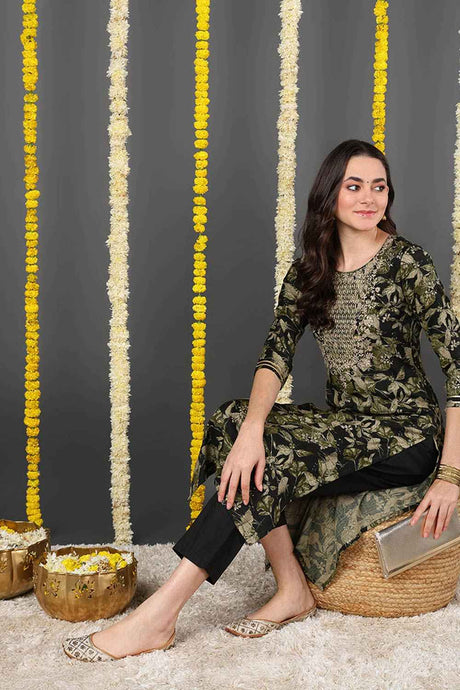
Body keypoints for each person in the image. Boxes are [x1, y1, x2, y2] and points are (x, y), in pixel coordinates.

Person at [62, 139, 460, 662]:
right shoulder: (309, 272)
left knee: (271, 455)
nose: (369, 198)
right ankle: (292, 587)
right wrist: (250, 431)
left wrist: (450, 475)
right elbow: (276, 356)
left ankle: (160, 615)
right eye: (354, 186)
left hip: (405, 435)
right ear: (330, 195)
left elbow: (457, 369)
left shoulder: (408, 262)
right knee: (233, 420)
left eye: (379, 186)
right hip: (347, 423)